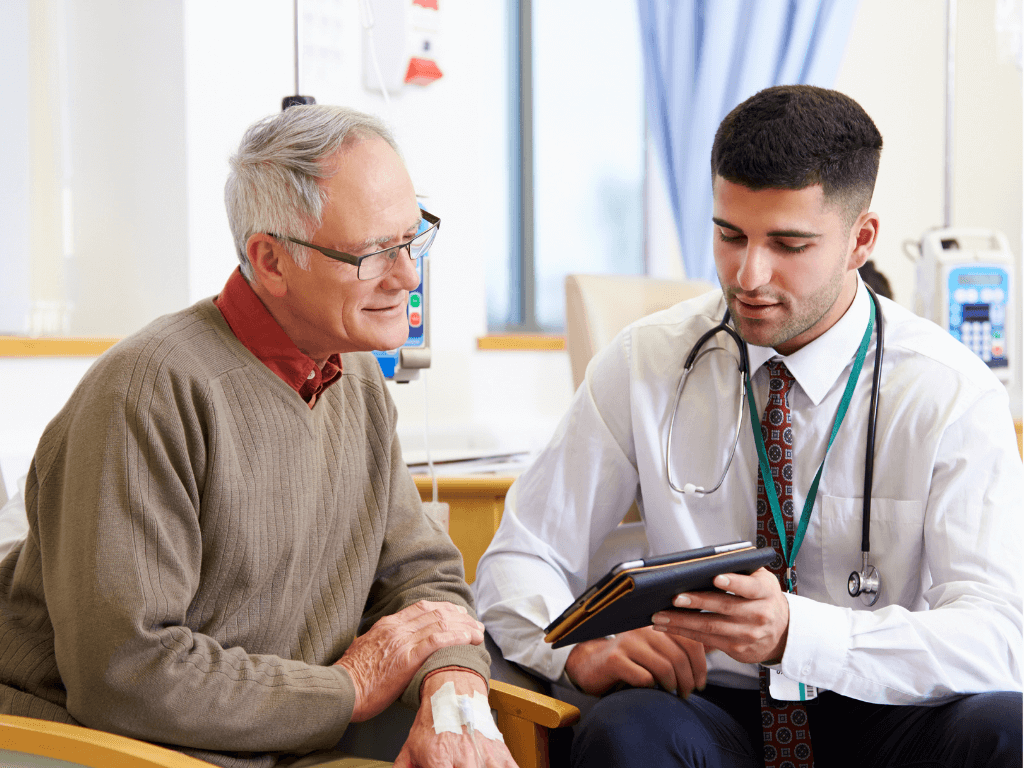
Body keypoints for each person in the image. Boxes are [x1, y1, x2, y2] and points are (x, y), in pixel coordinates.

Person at [474, 85, 1022, 768]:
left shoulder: (949, 389)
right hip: (712, 705)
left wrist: (799, 632)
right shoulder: (646, 361)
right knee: (624, 732)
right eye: (729, 235)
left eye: (789, 243)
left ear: (861, 239)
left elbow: (999, 634)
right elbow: (520, 558)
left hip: (887, 703)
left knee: (1010, 728)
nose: (748, 275)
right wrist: (576, 649)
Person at [0, 105, 515, 768]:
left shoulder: (353, 376)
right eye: (375, 254)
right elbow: (125, 674)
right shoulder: (147, 393)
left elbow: (420, 575)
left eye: (414, 240)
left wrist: (454, 694)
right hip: (105, 750)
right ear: (270, 260)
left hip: (272, 747)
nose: (410, 278)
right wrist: (348, 687)